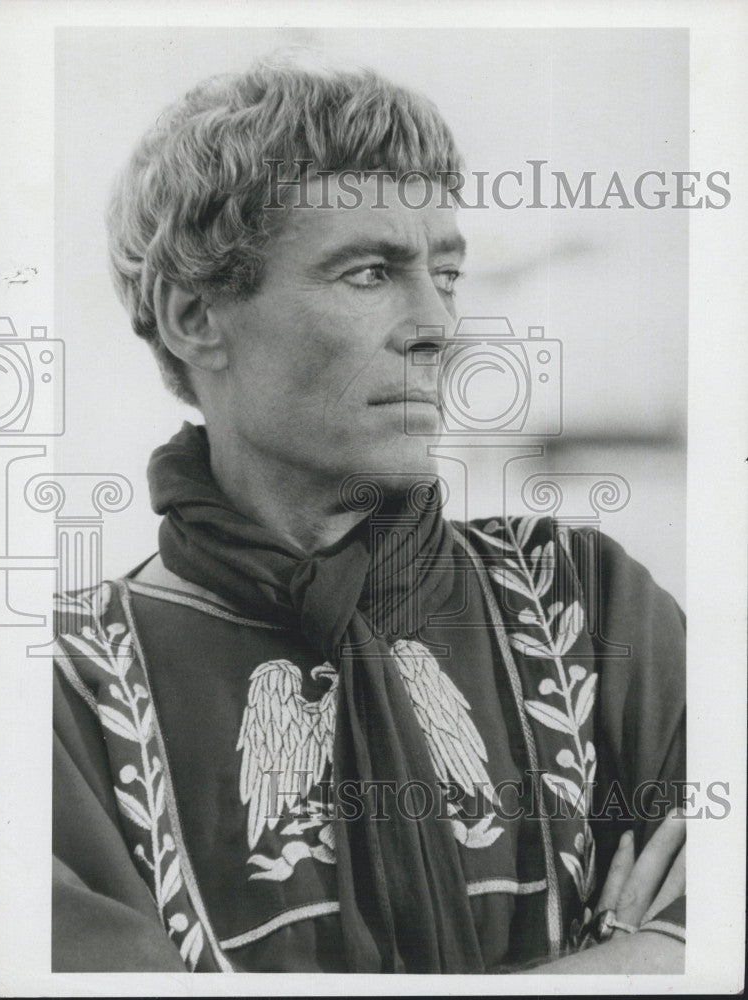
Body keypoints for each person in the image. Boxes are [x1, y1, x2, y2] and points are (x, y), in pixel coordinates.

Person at [52, 55, 686, 974]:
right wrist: (633, 963)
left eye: (447, 272)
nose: (436, 323)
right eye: (368, 273)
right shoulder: (63, 697)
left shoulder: (586, 605)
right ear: (195, 316)